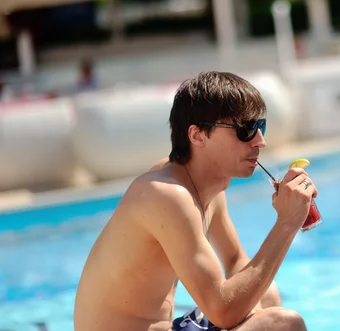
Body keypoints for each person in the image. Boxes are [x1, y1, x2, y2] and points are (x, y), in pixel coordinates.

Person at [74, 71, 318, 331]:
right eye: (246, 129)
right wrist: (286, 224)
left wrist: (254, 312)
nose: (261, 141)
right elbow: (223, 311)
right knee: (284, 323)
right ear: (198, 135)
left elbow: (235, 259)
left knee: (267, 294)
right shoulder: (168, 194)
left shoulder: (205, 184)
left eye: (261, 126)